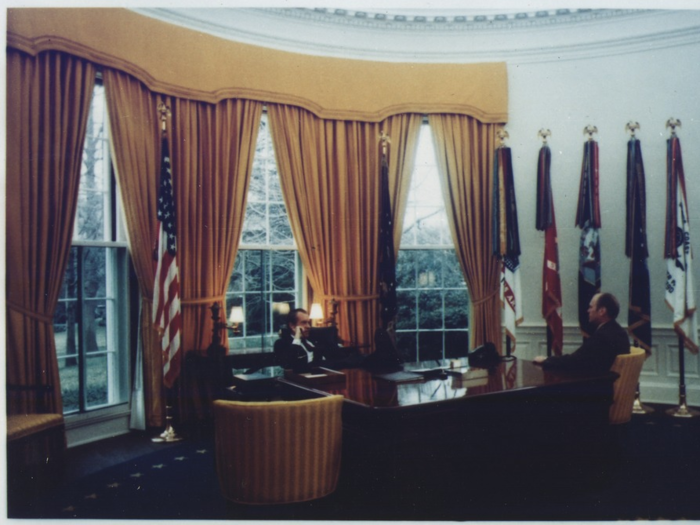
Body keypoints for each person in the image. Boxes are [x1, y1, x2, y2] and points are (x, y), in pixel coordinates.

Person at [533, 292, 630, 373]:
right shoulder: (620, 332)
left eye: (591, 307)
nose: (588, 311)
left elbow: (573, 361)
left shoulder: (602, 336)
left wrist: (547, 360)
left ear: (602, 311)